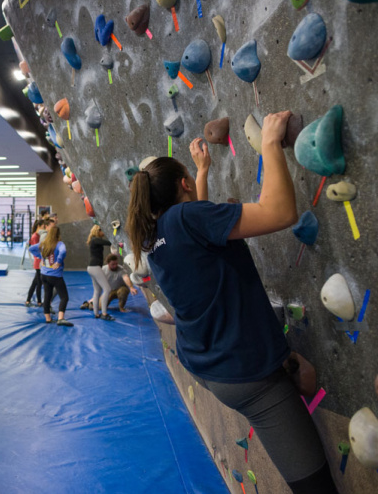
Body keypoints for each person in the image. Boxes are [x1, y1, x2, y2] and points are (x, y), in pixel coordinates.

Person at [126, 111, 336, 494]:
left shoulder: (154, 236)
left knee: (296, 379)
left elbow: (202, 237)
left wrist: (203, 173)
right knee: (315, 487)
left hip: (208, 365)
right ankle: (284, 372)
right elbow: (280, 213)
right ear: (183, 186)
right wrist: (270, 143)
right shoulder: (187, 219)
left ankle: (287, 366)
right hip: (248, 378)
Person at [29, 226, 72, 326]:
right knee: (64, 297)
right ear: (58, 234)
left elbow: (31, 248)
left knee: (47, 296)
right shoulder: (59, 244)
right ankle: (60, 318)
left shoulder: (44, 244)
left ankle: (48, 319)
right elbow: (63, 251)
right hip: (55, 275)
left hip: (44, 274)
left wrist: (40, 256)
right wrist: (58, 261)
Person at [85, 225, 114, 320]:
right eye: (102, 231)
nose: (104, 233)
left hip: (92, 267)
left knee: (97, 291)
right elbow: (109, 242)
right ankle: (104, 314)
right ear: (98, 231)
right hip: (95, 267)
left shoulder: (94, 240)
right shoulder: (95, 240)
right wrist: (117, 241)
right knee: (107, 289)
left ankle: (96, 313)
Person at [25, 220, 44, 307]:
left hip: (38, 262)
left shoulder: (37, 235)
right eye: (43, 226)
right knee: (39, 283)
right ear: (39, 226)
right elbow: (36, 249)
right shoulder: (35, 236)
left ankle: (29, 300)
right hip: (38, 262)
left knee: (36, 282)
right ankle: (39, 302)